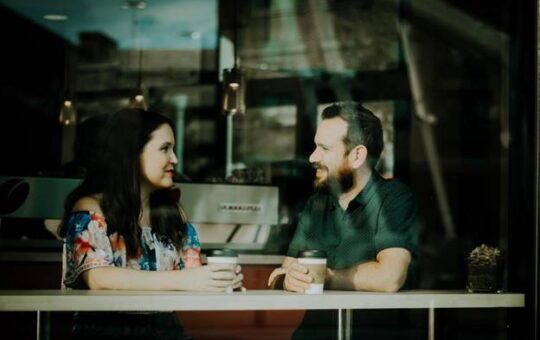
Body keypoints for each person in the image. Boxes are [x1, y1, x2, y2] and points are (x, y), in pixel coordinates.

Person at [58, 108, 243, 340]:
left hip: (166, 331)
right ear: (132, 154)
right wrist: (186, 280)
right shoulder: (90, 208)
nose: (174, 159)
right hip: (107, 331)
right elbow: (98, 278)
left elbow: (192, 272)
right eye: (165, 149)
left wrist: (222, 278)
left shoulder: (172, 214)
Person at [268, 102, 419, 339]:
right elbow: (281, 273)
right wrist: (286, 281)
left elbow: (390, 278)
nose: (312, 157)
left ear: (357, 155)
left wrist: (326, 277)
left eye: (324, 148)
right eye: (314, 146)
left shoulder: (393, 198)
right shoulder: (316, 204)